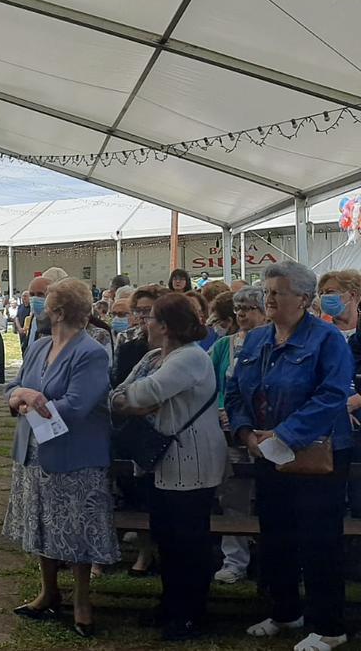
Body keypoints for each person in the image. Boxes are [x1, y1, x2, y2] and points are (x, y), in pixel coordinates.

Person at [225, 261, 354, 651]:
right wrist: (247, 432)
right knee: (276, 535)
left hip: (318, 455)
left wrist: (284, 434)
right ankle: (284, 611)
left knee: (319, 540)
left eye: (276, 292)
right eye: (266, 291)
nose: (267, 299)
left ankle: (328, 626)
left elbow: (332, 395)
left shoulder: (327, 340)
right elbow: (234, 391)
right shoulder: (256, 340)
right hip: (266, 452)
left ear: (302, 298)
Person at [3, 278, 116, 638]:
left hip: (74, 455)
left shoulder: (91, 352)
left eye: (45, 301)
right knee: (42, 524)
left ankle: (82, 599)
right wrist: (21, 394)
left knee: (76, 529)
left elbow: (78, 405)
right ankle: (48, 591)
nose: (38, 307)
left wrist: (33, 404)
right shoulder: (37, 347)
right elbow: (12, 388)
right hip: (34, 453)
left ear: (60, 312)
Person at [111, 294, 225, 640]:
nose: (144, 323)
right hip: (161, 461)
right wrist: (127, 401)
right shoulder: (151, 357)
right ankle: (170, 604)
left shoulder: (189, 358)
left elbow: (141, 395)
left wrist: (130, 402)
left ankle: (190, 613)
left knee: (188, 541)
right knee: (167, 538)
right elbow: (119, 393)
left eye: (150, 318)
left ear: (165, 325)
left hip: (191, 461)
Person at [209, 286, 266, 585]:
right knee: (233, 495)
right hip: (228, 431)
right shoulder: (223, 346)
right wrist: (221, 408)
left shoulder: (273, 344)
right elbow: (209, 382)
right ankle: (235, 560)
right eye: (239, 310)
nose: (242, 315)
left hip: (265, 431)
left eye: (249, 309)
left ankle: (271, 560)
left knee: (270, 496)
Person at [114, 285, 165, 388]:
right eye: (137, 311)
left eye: (147, 310)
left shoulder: (175, 346)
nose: (141, 316)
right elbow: (118, 385)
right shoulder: (127, 349)